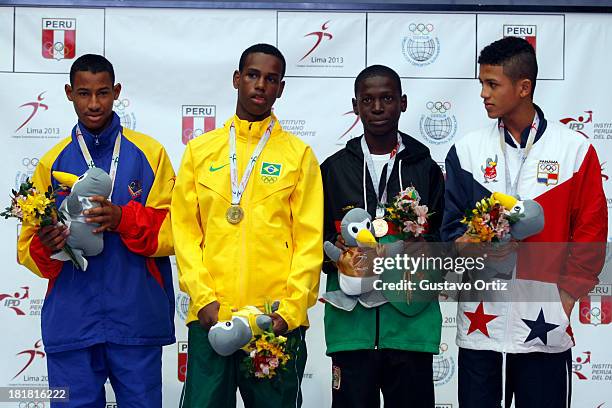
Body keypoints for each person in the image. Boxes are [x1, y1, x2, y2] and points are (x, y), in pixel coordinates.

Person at [441, 36, 607, 407]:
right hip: (480, 327)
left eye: (492, 84)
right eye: (481, 84)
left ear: (523, 87)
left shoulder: (573, 150)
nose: (483, 93)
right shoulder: (467, 151)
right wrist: (471, 242)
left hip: (544, 327)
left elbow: (591, 236)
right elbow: (450, 232)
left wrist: (564, 297)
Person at [17, 54, 176, 407]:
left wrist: (123, 219)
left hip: (136, 317)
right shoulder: (51, 162)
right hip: (72, 320)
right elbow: (27, 249)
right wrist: (47, 245)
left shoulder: (150, 154)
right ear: (69, 93)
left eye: (103, 93)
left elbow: (175, 233)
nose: (94, 103)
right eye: (84, 93)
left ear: (116, 92)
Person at [172, 43, 323, 408]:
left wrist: (289, 312)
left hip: (272, 321)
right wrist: (203, 298)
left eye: (271, 79)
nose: (261, 85)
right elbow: (185, 232)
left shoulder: (298, 156)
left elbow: (309, 241)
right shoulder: (200, 151)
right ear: (237, 79)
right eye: (253, 75)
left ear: (281, 88)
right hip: (212, 316)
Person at [320, 64, 445, 408]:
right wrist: (339, 254)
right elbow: (314, 243)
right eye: (368, 100)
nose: (377, 108)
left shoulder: (426, 167)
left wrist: (421, 250)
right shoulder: (333, 169)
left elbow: (444, 244)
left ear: (403, 103)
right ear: (355, 105)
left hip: (410, 327)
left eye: (387, 98)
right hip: (352, 331)